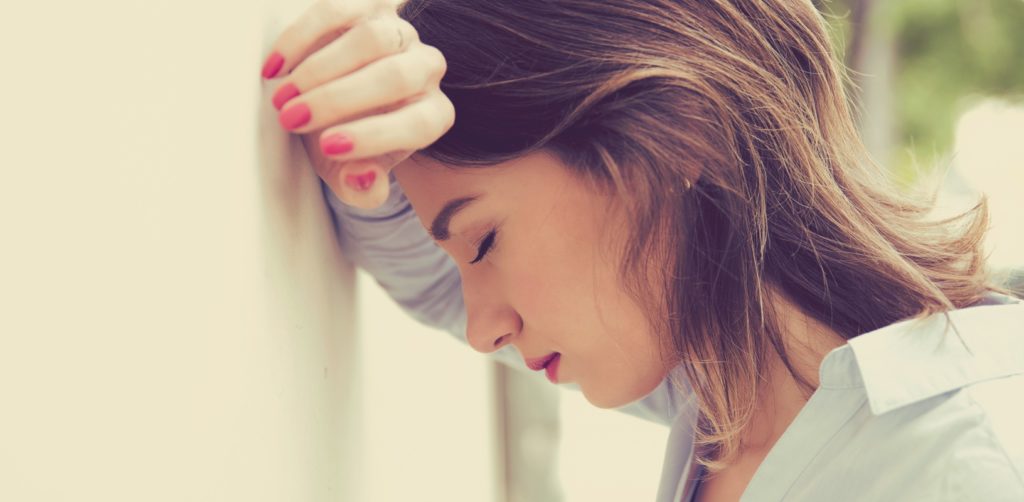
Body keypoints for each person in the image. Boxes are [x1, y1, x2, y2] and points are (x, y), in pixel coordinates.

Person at [262, 0, 1024, 500]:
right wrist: (361, 145)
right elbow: (424, 279)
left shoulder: (969, 464)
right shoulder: (730, 387)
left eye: (484, 241)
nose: (479, 327)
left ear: (673, 139)